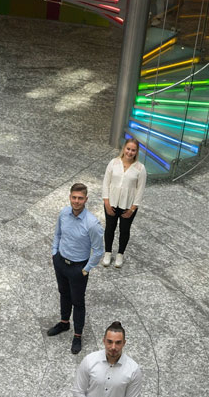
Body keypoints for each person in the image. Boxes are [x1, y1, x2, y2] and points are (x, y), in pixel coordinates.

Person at [47, 183, 104, 355]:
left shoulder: (92, 223)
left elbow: (99, 250)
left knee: (78, 301)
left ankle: (77, 335)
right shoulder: (64, 213)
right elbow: (57, 234)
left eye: (80, 198)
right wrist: (54, 253)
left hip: (79, 268)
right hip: (61, 262)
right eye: (74, 197)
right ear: (70, 197)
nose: (76, 201)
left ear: (86, 199)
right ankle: (64, 323)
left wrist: (86, 269)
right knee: (63, 293)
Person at [101, 139, 147, 269]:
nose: (130, 152)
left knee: (124, 230)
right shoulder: (113, 163)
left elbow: (140, 190)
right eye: (128, 149)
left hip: (128, 205)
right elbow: (106, 182)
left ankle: (120, 254)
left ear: (136, 152)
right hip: (112, 202)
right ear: (124, 148)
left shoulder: (140, 168)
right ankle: (108, 252)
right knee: (110, 228)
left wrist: (133, 208)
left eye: (133, 150)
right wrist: (106, 202)